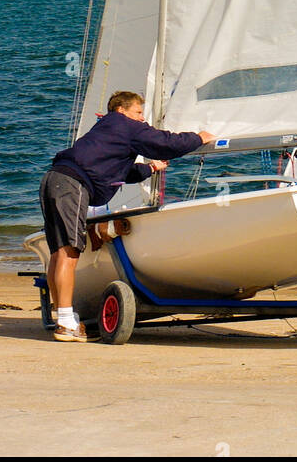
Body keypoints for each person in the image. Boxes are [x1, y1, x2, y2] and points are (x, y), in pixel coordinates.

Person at [39, 91, 214, 342]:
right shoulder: (124, 125)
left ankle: (63, 318)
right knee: (69, 251)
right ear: (121, 110)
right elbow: (166, 143)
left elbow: (118, 170)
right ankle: (66, 323)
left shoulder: (108, 129)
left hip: (54, 179)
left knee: (59, 252)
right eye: (138, 112)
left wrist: (151, 167)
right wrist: (199, 137)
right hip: (72, 185)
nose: (142, 118)